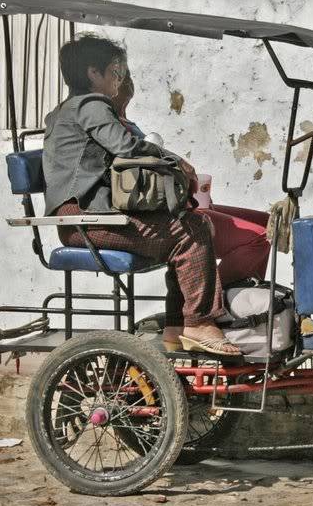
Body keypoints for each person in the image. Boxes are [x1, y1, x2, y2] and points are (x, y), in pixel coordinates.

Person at [42, 33, 240, 355]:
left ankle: (178, 329)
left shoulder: (65, 111)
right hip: (88, 220)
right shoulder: (90, 105)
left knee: (187, 224)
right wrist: (178, 161)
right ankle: (199, 322)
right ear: (94, 73)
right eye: (114, 72)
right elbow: (127, 146)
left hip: (86, 218)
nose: (118, 81)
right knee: (192, 230)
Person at [109, 74, 271, 286]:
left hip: (181, 201)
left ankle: (246, 296)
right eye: (119, 75)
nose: (127, 80)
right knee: (258, 237)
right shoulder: (115, 133)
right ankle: (221, 297)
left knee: (268, 222)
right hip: (166, 210)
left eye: (128, 75)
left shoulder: (131, 126)